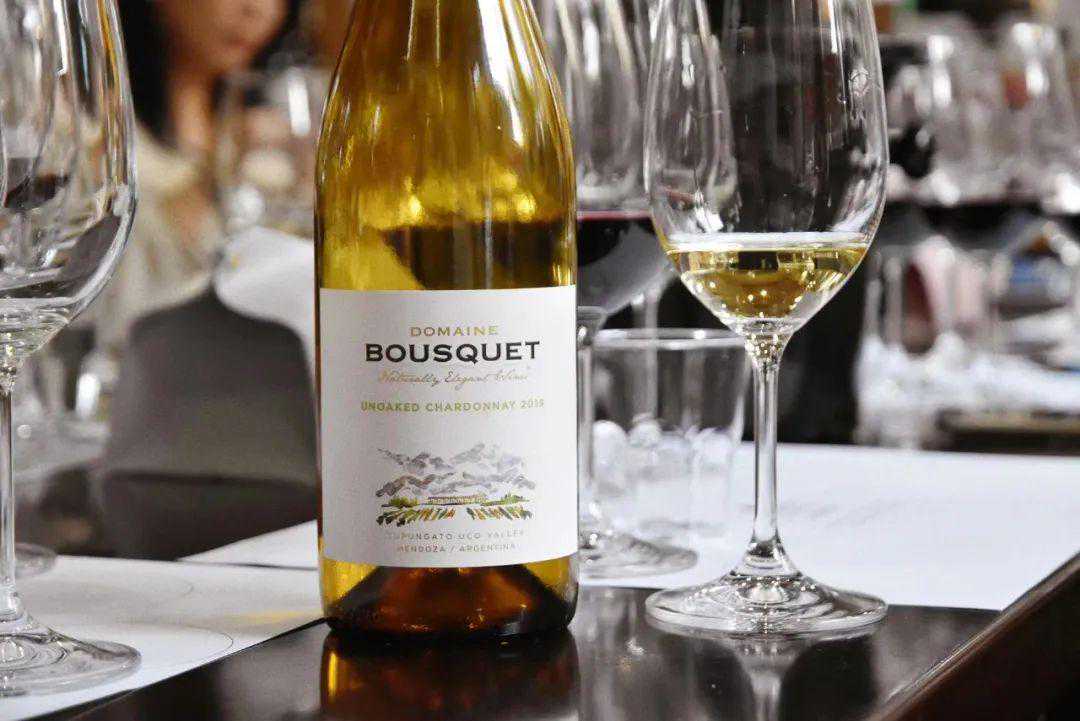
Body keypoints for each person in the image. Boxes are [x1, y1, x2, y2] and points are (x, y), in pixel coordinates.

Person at [95, 0, 300, 355]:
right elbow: (109, 298)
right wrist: (212, 178)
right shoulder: (94, 131)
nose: (256, 8)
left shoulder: (272, 142)